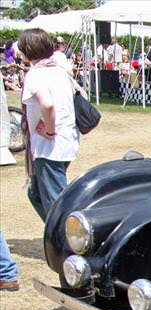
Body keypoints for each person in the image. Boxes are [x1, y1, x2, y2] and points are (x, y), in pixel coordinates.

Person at [18, 28, 80, 222]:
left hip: (49, 147)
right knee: (35, 194)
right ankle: (58, 234)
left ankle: (66, 240)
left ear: (28, 51)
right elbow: (81, 96)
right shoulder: (59, 72)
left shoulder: (35, 75)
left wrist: (50, 130)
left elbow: (47, 104)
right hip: (65, 142)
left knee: (57, 203)